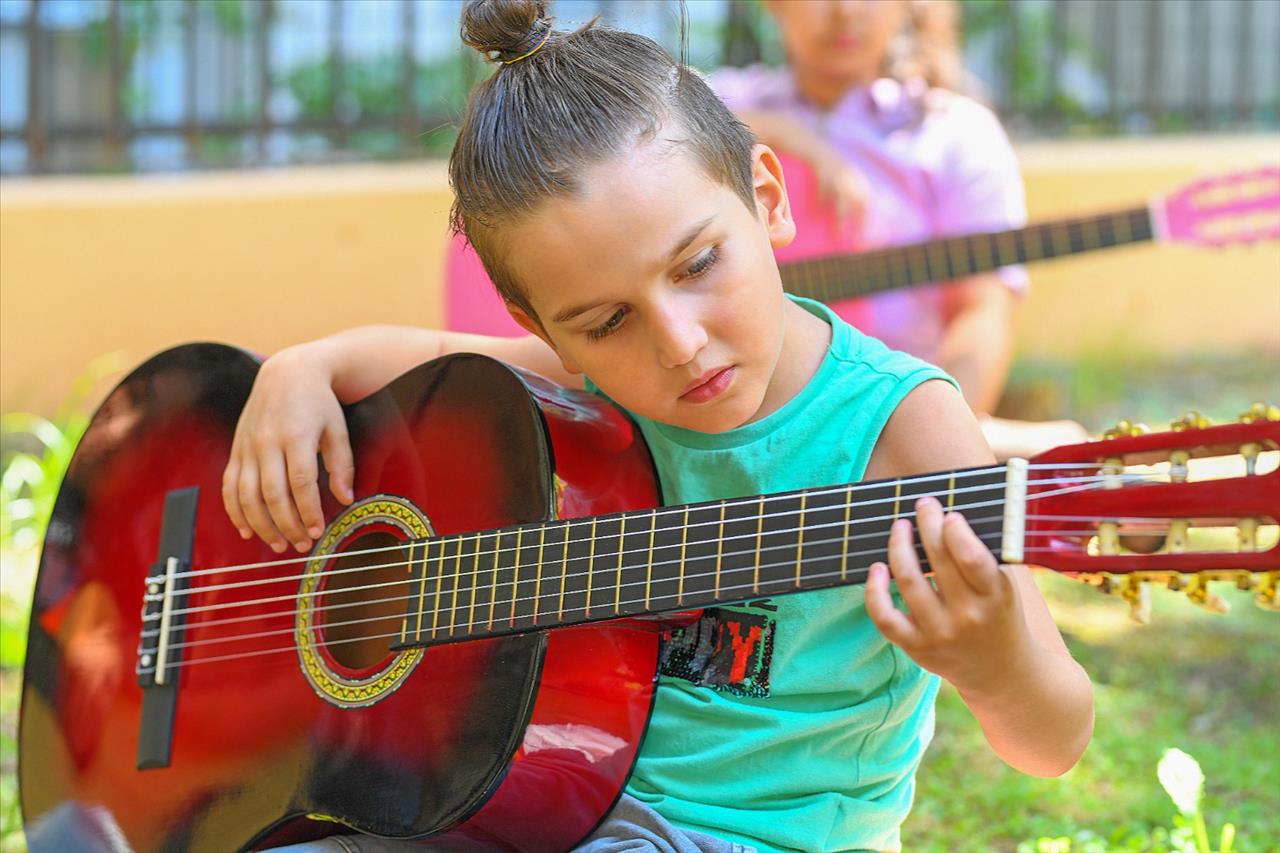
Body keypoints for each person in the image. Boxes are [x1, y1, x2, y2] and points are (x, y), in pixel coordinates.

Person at [229, 2, 1093, 851]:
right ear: (544, 329)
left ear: (767, 197)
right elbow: (415, 357)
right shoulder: (594, 382)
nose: (679, 344)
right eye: (606, 322)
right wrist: (302, 368)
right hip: (531, 802)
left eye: (699, 264)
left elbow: (1052, 739)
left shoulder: (902, 426)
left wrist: (997, 662)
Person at [710, 0, 1088, 460]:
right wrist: (784, 135)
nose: (846, 11)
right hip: (733, 424)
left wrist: (940, 439)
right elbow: (629, 127)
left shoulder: (957, 132)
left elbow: (982, 312)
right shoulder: (720, 104)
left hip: (891, 422)